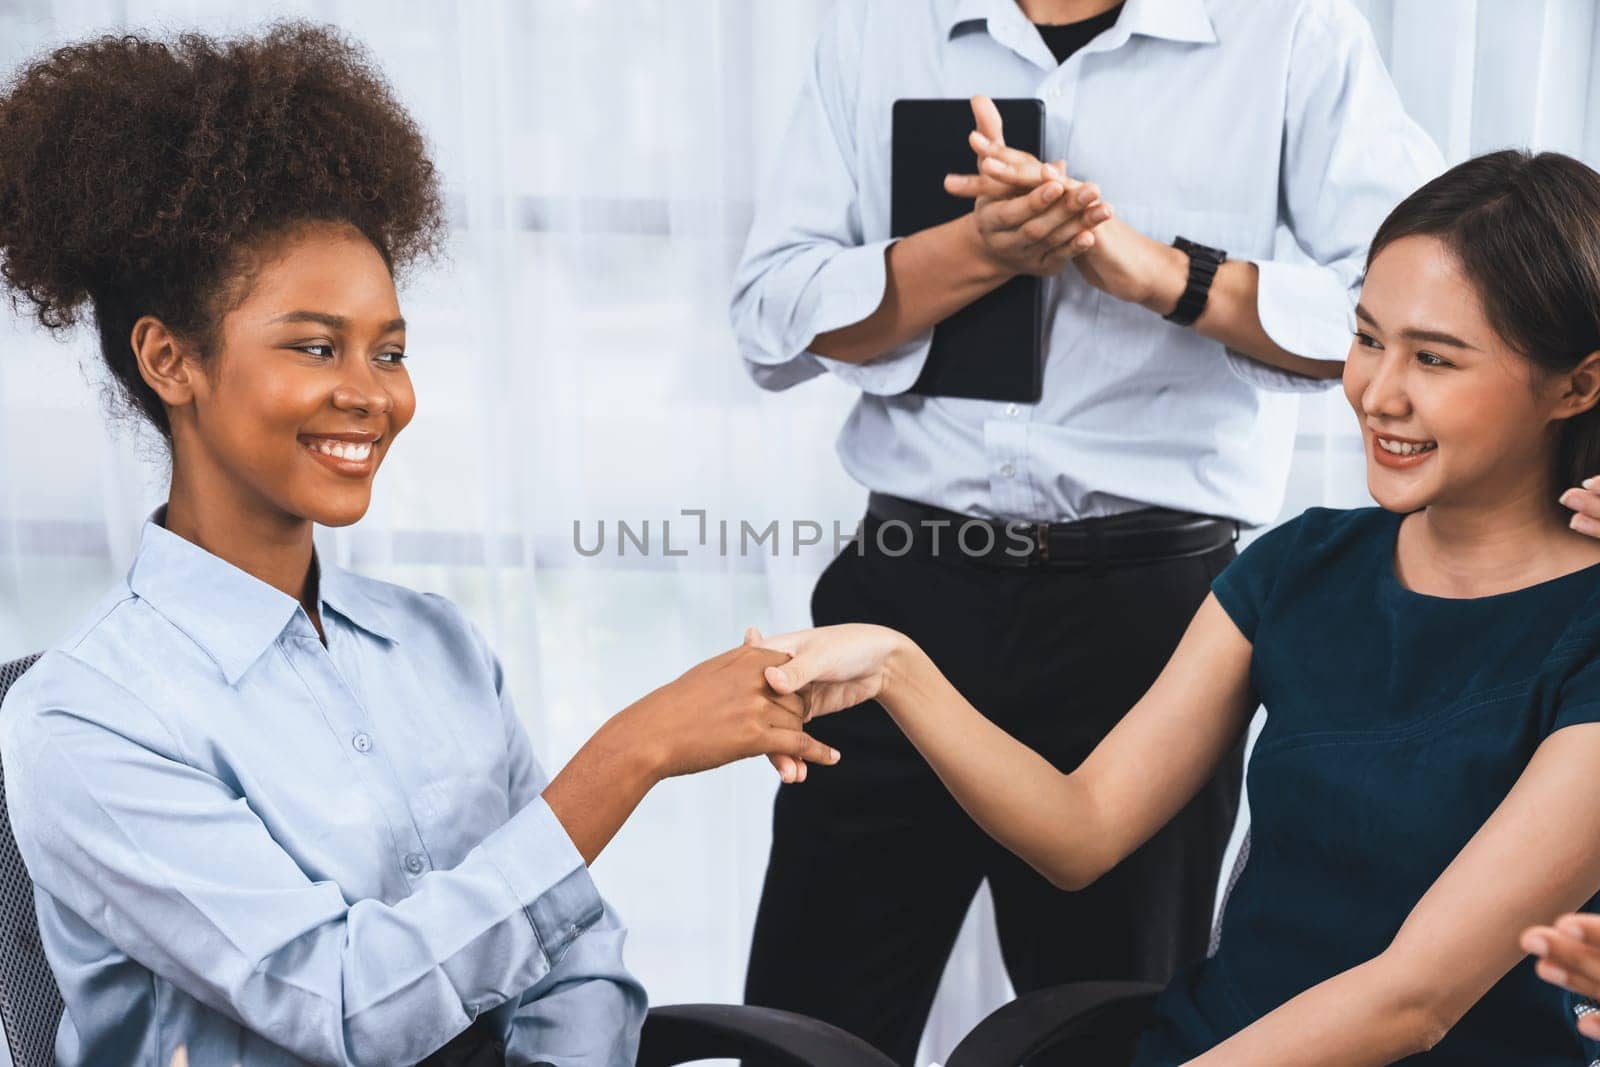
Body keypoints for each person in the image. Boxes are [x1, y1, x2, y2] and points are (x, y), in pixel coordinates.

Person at [0, 24, 837, 1067]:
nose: (372, 393)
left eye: (389, 350)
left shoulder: (433, 644)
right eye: (315, 346)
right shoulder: (83, 717)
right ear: (171, 358)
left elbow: (578, 956)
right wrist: (634, 750)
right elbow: (347, 1005)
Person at [748, 149, 1600, 1065]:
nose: (1376, 392)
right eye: (1365, 338)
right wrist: (894, 665)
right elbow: (1080, 829)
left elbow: (1413, 999)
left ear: (1577, 384)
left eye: (1433, 358)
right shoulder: (1303, 563)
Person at [730, 0, 1442, 1057]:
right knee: (805, 1017)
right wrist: (974, 250)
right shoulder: (879, 21)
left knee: (1112, 1024)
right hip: (901, 587)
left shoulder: (1291, 28)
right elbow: (767, 314)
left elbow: (1403, 309)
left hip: (1152, 623)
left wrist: (1151, 270)